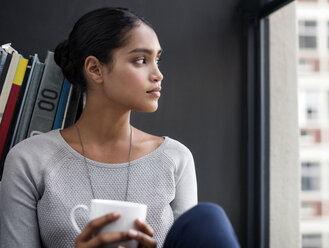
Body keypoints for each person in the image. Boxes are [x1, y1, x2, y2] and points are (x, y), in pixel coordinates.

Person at [0, 7, 240, 248]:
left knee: (209, 218)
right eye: (140, 60)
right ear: (95, 69)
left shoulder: (175, 158)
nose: (158, 74)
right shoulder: (29, 160)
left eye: (157, 59)